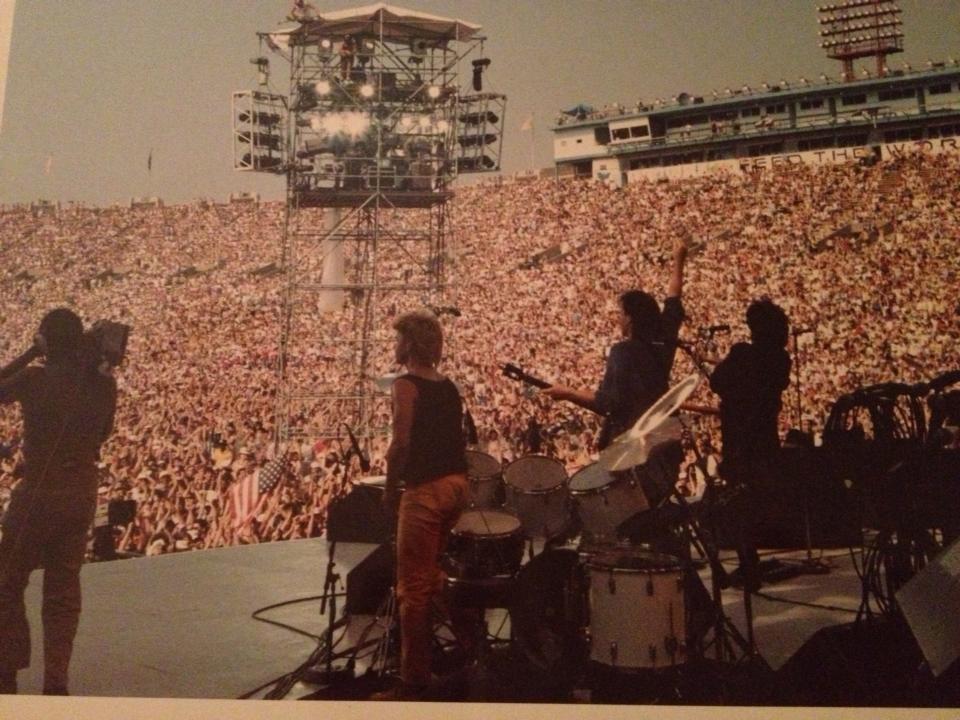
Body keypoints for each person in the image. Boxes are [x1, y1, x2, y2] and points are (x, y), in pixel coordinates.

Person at [0, 309, 118, 695]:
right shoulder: (104, 385)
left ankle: (7, 669)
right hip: (80, 492)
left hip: (39, 493)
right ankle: (56, 680)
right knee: (63, 591)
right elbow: (102, 434)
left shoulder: (35, 377)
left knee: (6, 580)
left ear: (46, 340)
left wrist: (29, 353)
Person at [544, 236, 688, 508]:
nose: (617, 318)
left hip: (636, 451)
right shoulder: (664, 338)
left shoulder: (623, 352)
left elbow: (607, 404)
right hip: (666, 444)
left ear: (630, 318)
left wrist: (567, 393)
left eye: (620, 313)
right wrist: (679, 259)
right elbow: (673, 300)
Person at [378, 310, 470, 700]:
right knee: (432, 575)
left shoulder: (405, 385)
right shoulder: (449, 386)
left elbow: (401, 443)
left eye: (399, 340)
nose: (395, 346)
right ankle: (470, 649)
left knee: (412, 589)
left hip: (426, 492)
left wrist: (389, 486)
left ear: (410, 344)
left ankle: (414, 681)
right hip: (457, 486)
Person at [709, 298, 791, 591]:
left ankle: (747, 566)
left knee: (736, 505)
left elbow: (717, 382)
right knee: (754, 503)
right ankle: (750, 565)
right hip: (765, 439)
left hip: (739, 440)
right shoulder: (781, 360)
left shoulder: (742, 354)